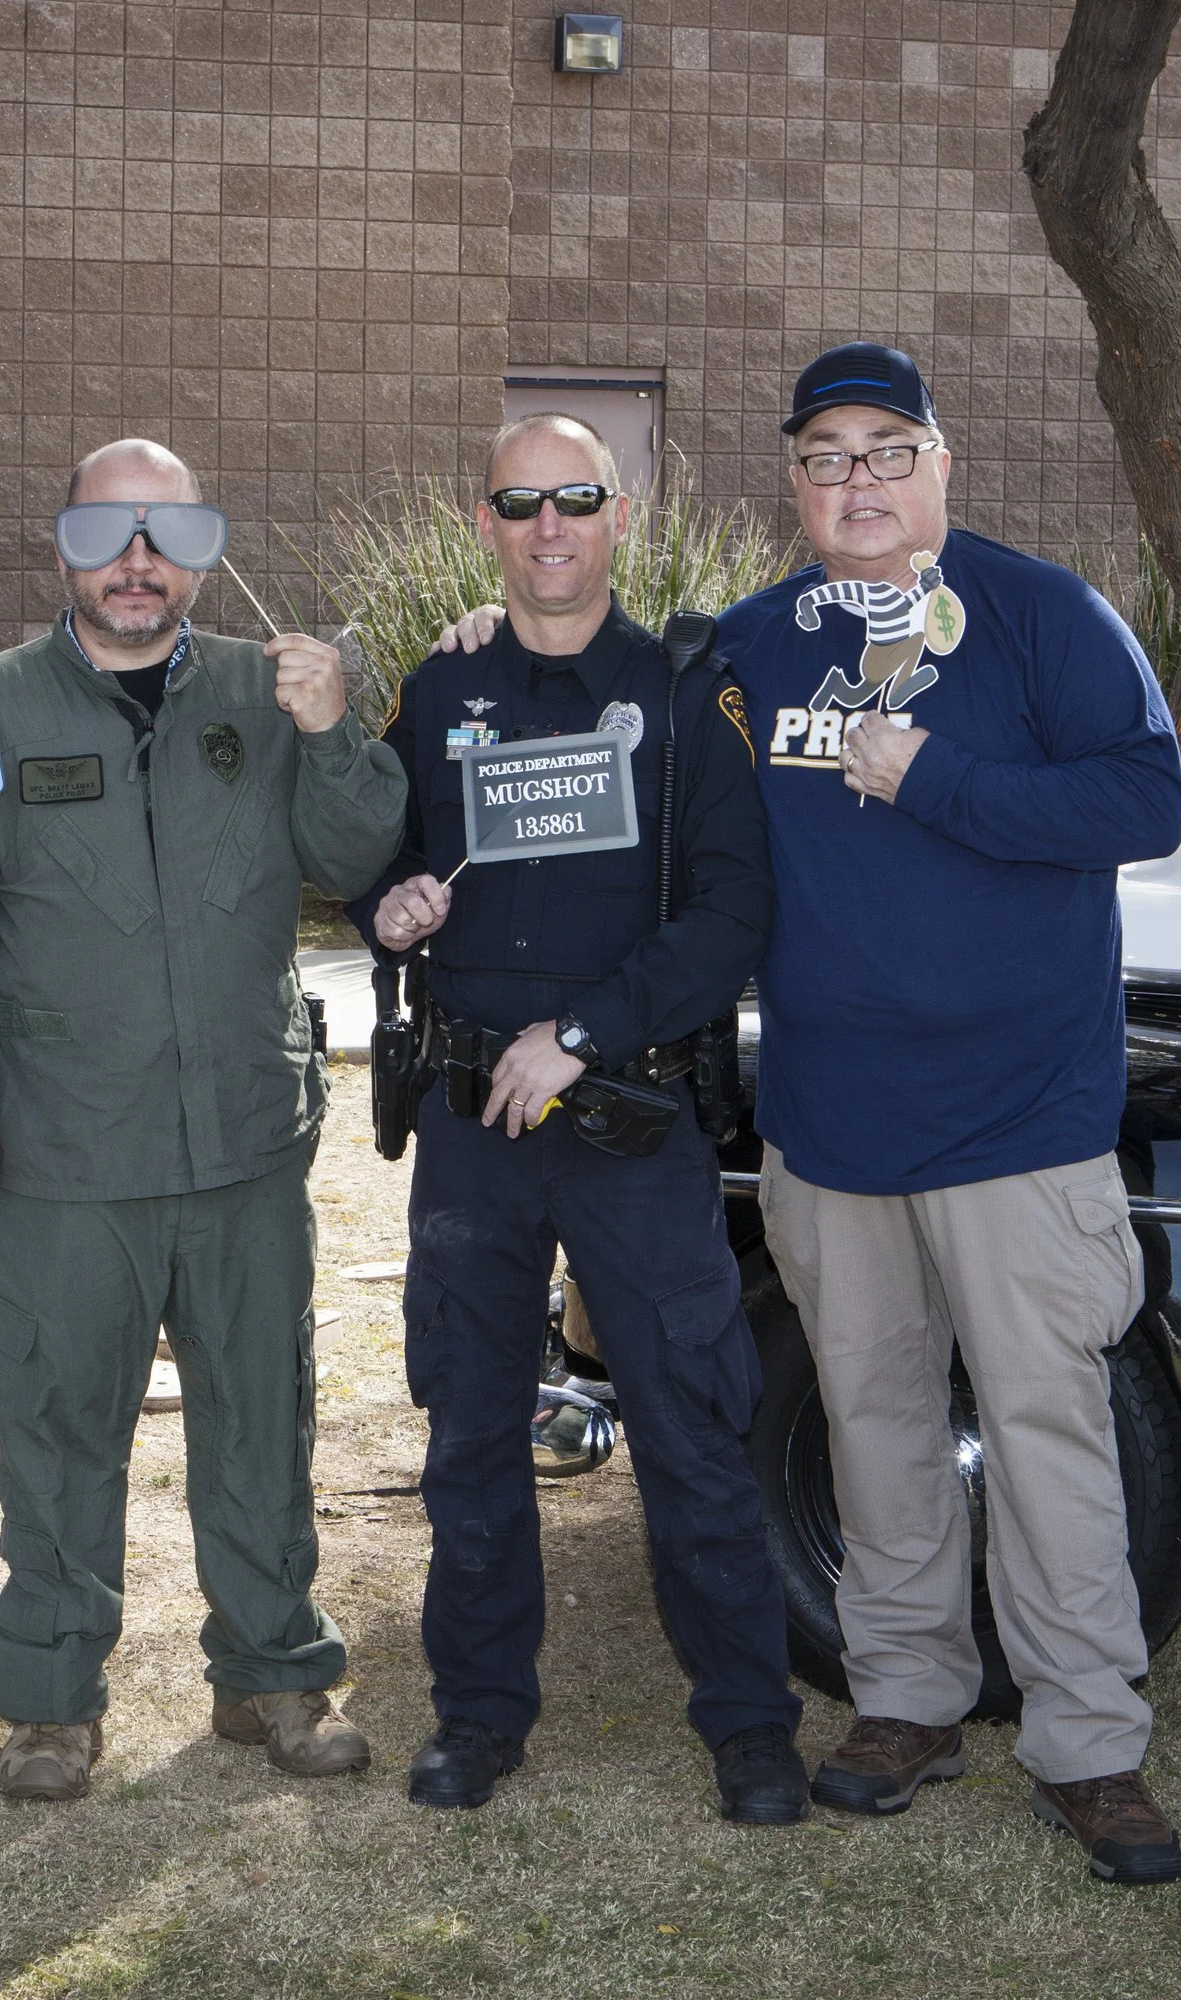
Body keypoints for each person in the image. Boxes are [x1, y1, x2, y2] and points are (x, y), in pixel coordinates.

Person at [428, 346, 1181, 1885]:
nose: (860, 482)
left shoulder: (1046, 614)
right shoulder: (749, 649)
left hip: (1022, 1119)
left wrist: (942, 777)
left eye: (888, 451)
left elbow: (1145, 804)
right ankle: (907, 1698)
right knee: (874, 1423)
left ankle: (1088, 1741)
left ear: (940, 465)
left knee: (1047, 1432)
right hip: (831, 1121)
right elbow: (629, 757)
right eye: (828, 457)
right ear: (794, 482)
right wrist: (489, 648)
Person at [0, 438, 407, 1803]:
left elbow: (353, 859)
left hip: (241, 1139)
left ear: (200, 554)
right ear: (65, 549)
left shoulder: (268, 692)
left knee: (262, 1417)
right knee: (54, 1427)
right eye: (110, 533)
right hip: (59, 1147)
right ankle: (51, 1700)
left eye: (165, 534)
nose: (137, 561)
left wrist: (335, 727)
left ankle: (276, 1674)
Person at [349, 413, 807, 1823]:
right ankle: (479, 1717)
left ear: (620, 514)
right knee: (471, 1429)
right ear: (486, 521)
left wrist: (585, 1032)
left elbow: (736, 908)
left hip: (628, 1116)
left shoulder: (687, 691)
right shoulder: (440, 686)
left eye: (576, 500)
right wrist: (395, 903)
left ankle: (749, 1729)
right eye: (520, 504)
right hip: (472, 1130)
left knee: (692, 1428)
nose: (549, 527)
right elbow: (389, 856)